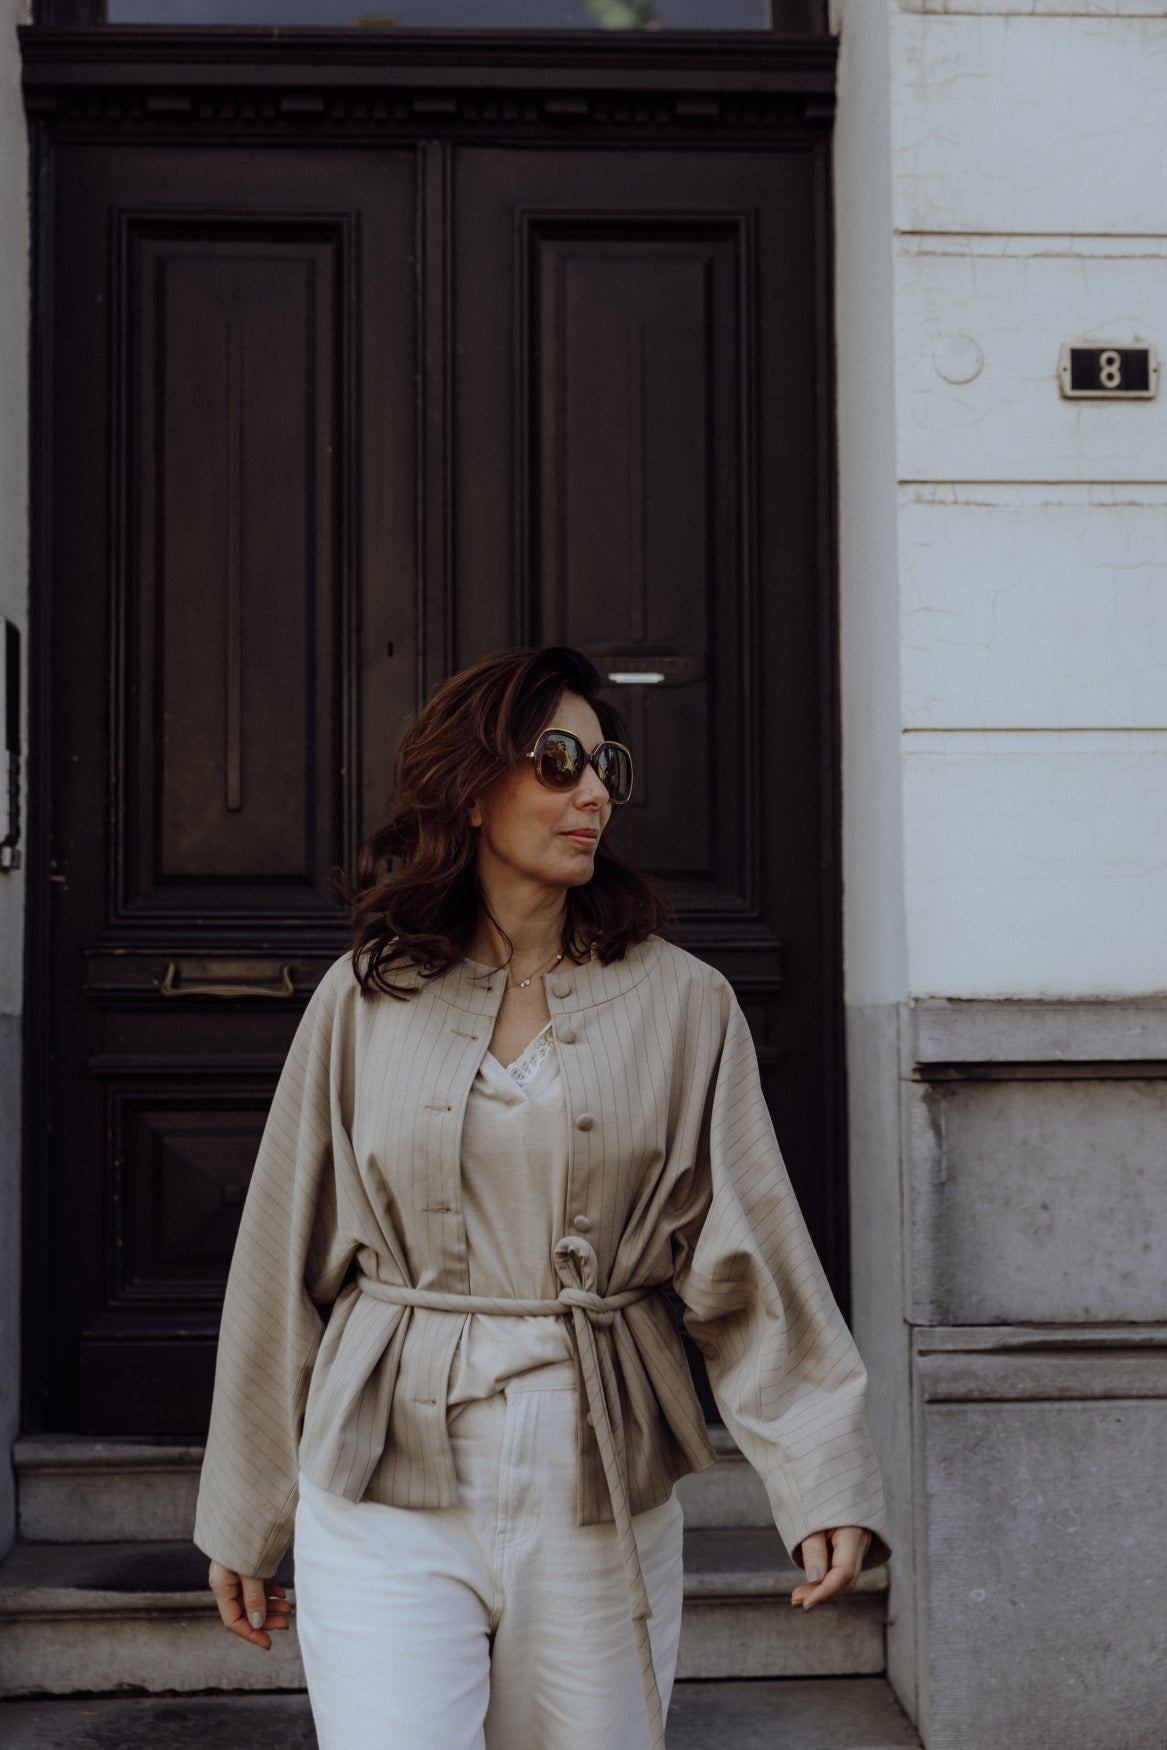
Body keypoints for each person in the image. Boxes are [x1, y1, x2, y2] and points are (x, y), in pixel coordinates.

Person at [194, 644, 892, 1750]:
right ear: (472, 790)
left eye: (605, 764)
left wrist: (822, 1479)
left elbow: (752, 1259)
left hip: (596, 1475)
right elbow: (281, 1258)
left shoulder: (685, 1004)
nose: (594, 792)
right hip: (381, 1480)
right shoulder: (366, 996)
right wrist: (247, 1507)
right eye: (558, 761)